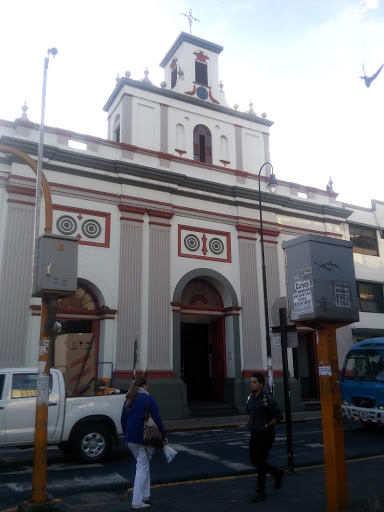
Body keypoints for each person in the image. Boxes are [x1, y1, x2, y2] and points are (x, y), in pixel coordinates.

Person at [121, 375, 168, 510]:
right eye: (148, 384)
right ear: (144, 385)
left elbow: (123, 420)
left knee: (143, 465)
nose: (149, 386)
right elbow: (157, 420)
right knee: (142, 468)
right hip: (146, 438)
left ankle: (146, 495)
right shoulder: (148, 399)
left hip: (131, 440)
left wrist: (126, 437)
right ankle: (137, 502)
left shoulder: (129, 399)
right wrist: (164, 436)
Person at [246, 372, 284, 502]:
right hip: (254, 434)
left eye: (254, 382)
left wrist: (267, 426)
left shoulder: (267, 399)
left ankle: (261, 491)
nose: (251, 384)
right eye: (251, 382)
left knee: (261, 462)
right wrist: (250, 424)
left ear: (261, 384)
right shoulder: (250, 398)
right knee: (253, 459)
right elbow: (250, 413)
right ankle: (276, 472)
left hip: (266, 435)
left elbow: (279, 416)